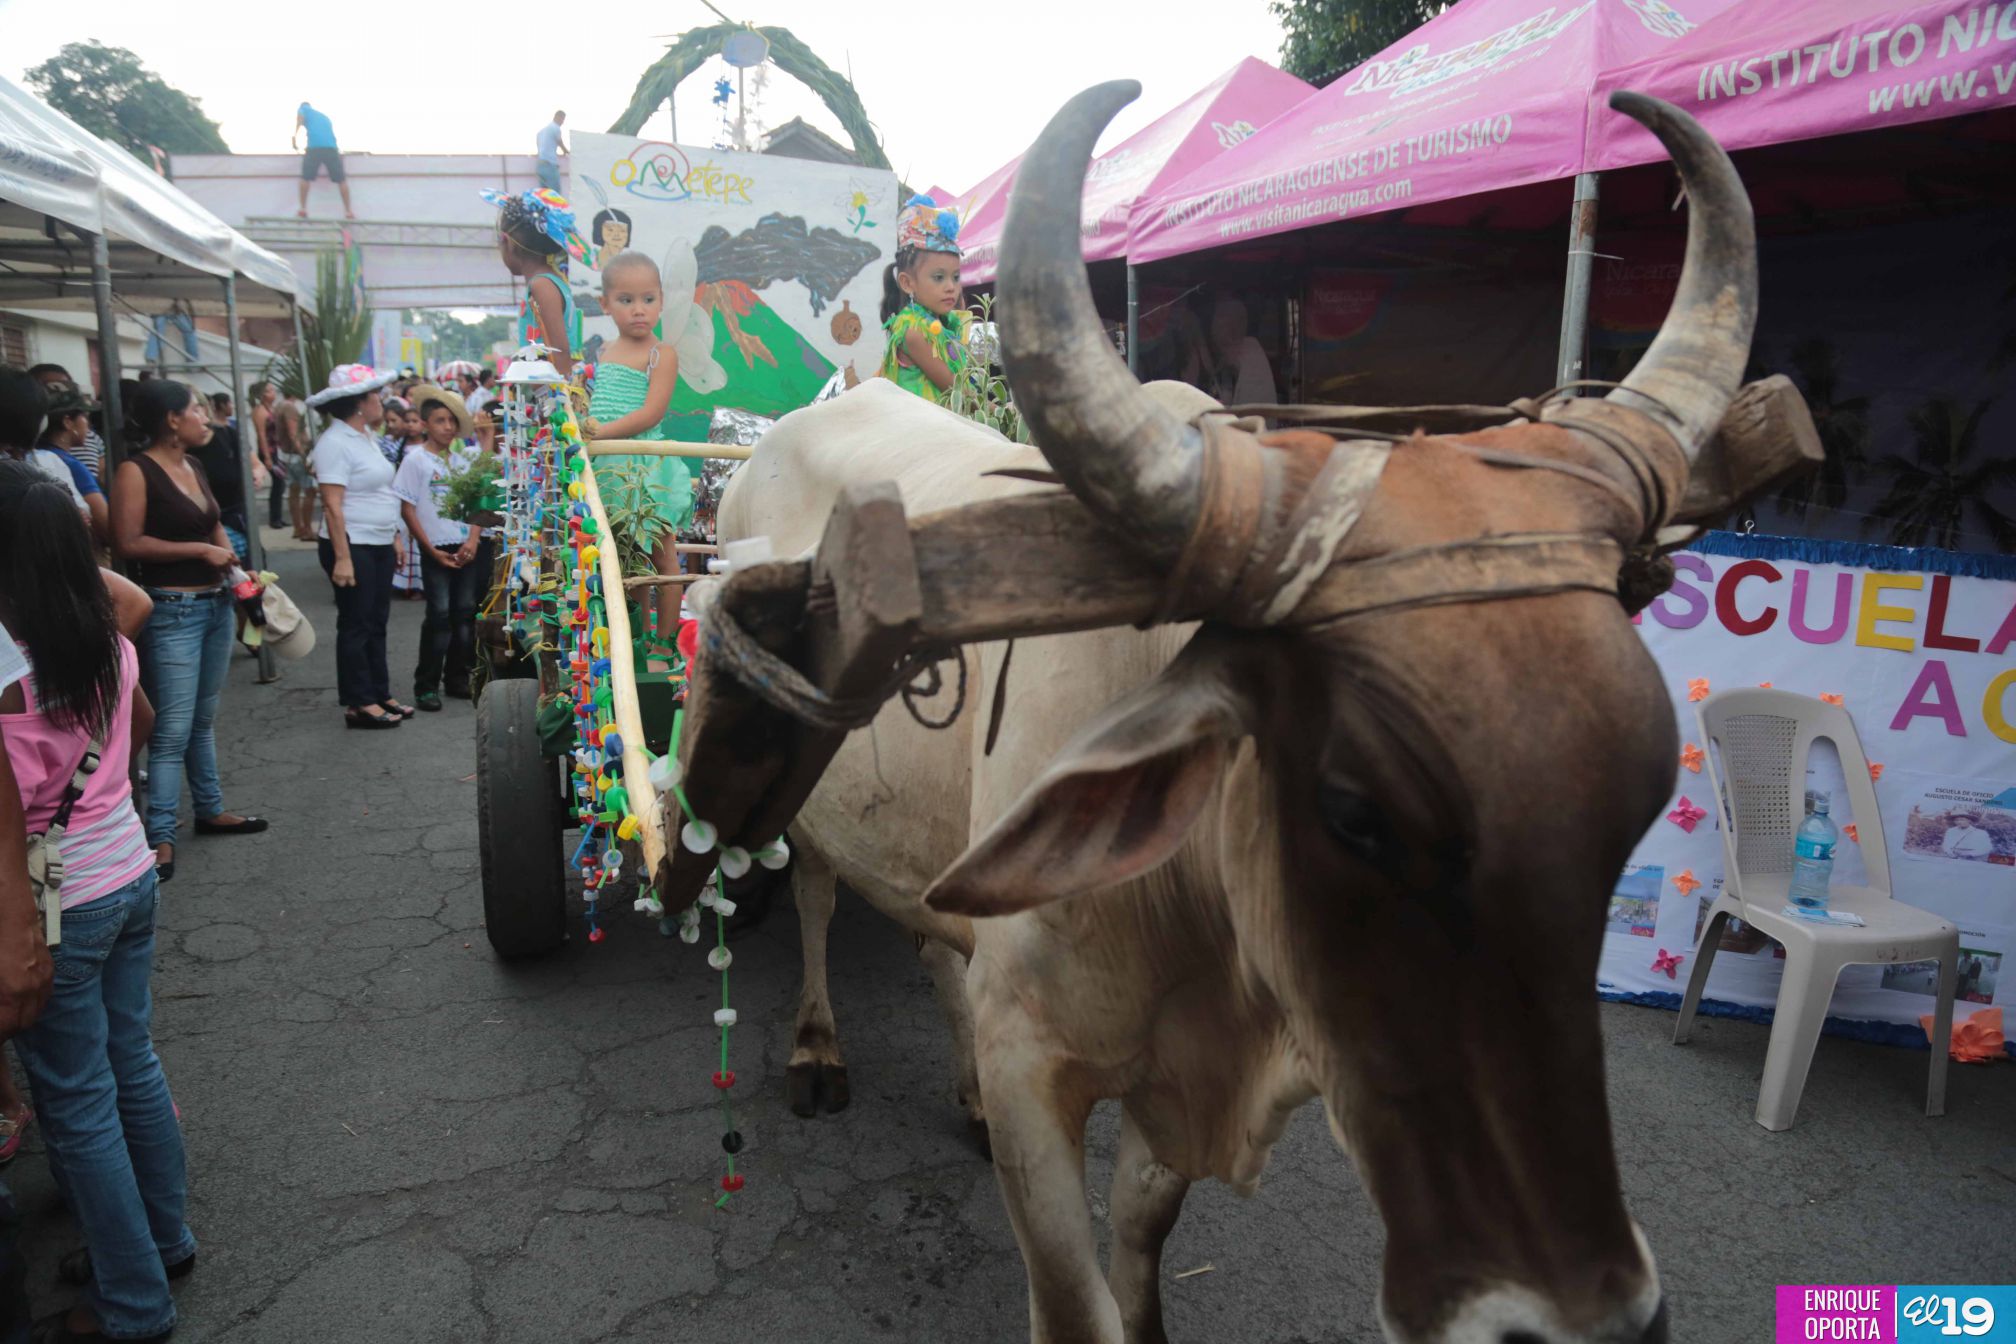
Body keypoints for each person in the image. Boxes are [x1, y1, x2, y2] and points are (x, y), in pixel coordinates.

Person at [1, 458, 196, 1344]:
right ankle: (164, 1241)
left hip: (56, 905)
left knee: (76, 1105)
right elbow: (146, 728)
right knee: (133, 1067)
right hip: (127, 876)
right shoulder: (104, 642)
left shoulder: (10, 684)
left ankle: (131, 1303)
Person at [109, 382, 267, 882]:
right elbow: (128, 542)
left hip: (216, 604)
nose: (206, 417)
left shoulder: (193, 465)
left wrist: (237, 570)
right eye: (196, 409)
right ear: (171, 419)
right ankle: (159, 837)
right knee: (171, 728)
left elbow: (212, 526)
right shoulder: (136, 470)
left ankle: (210, 808)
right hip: (172, 609)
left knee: (202, 719)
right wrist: (200, 553)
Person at [589, 252, 693, 641]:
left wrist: (598, 434)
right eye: (626, 300)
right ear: (605, 304)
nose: (638, 310)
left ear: (661, 301)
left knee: (661, 555)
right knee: (622, 556)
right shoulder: (606, 352)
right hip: (610, 468)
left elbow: (651, 414)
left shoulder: (661, 353)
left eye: (648, 300)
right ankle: (632, 637)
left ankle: (664, 644)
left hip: (646, 467)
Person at [308, 364, 409, 728]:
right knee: (356, 622)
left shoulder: (363, 436)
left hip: (378, 540)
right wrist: (342, 557)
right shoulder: (334, 443)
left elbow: (383, 491)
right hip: (353, 544)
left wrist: (394, 536)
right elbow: (332, 505)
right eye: (374, 396)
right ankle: (359, 700)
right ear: (358, 404)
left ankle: (379, 691)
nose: (381, 401)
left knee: (376, 620)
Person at [393, 388, 487, 710]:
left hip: (465, 549)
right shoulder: (415, 460)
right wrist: (430, 550)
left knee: (465, 614)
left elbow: (478, 504)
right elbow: (407, 509)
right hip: (436, 550)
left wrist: (473, 539)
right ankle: (426, 685)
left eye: (451, 421)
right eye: (439, 420)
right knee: (439, 616)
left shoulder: (463, 461)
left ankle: (457, 678)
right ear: (425, 424)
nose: (446, 427)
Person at [878, 195, 970, 405]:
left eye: (956, 277)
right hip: (922, 433)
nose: (951, 287)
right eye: (939, 278)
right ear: (908, 283)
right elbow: (959, 392)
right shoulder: (914, 332)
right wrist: (1005, 410)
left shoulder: (942, 325)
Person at [484, 188, 586, 377]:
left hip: (557, 395)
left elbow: (560, 351)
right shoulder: (548, 282)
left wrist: (561, 403)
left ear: (508, 242)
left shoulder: (542, 286)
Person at [35, 383, 110, 546]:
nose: (88, 426)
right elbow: (106, 525)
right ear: (68, 422)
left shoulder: (37, 457)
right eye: (85, 417)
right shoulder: (69, 465)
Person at [28, 364, 107, 480]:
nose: (60, 391)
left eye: (65, 385)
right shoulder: (27, 453)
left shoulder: (90, 438)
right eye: (50, 387)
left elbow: (101, 477)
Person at [293, 101, 354, 220]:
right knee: (341, 180)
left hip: (314, 147)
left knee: (305, 178)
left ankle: (302, 210)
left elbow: (299, 120)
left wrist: (294, 137)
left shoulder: (303, 109)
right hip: (331, 148)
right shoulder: (324, 117)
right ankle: (348, 212)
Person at [276, 391, 314, 541]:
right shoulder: (290, 408)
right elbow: (293, 434)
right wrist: (303, 455)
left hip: (286, 455)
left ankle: (298, 527)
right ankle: (307, 528)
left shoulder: (279, 406)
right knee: (309, 491)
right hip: (296, 455)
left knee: (294, 491)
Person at [535, 110, 567, 192]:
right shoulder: (555, 128)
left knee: (544, 194)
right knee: (555, 194)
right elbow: (560, 142)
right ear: (557, 117)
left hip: (540, 165)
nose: (562, 122)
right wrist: (566, 152)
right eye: (562, 119)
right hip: (550, 164)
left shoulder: (541, 132)